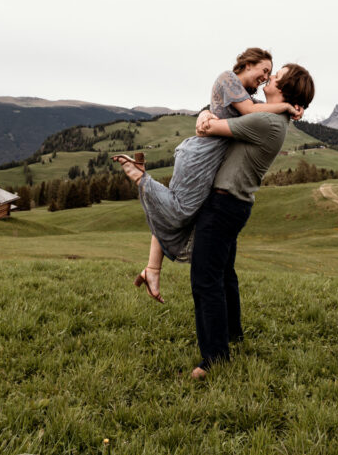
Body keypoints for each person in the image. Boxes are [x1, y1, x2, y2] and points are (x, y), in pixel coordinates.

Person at [113, 49, 302, 303]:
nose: (266, 77)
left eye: (271, 73)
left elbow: (252, 110)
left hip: (211, 159)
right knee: (181, 209)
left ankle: (152, 270)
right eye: (264, 70)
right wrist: (287, 106)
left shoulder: (244, 95)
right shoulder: (229, 79)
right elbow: (248, 112)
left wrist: (286, 108)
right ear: (247, 64)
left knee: (184, 213)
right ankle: (140, 177)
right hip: (201, 156)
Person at [187, 63, 315, 379]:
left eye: (277, 75)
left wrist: (204, 117)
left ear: (286, 86)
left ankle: (214, 358)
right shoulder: (271, 117)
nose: (270, 77)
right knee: (224, 273)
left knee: (205, 278)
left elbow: (208, 128)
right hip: (234, 203)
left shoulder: (267, 122)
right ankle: (232, 334)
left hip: (224, 203)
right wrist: (206, 113)